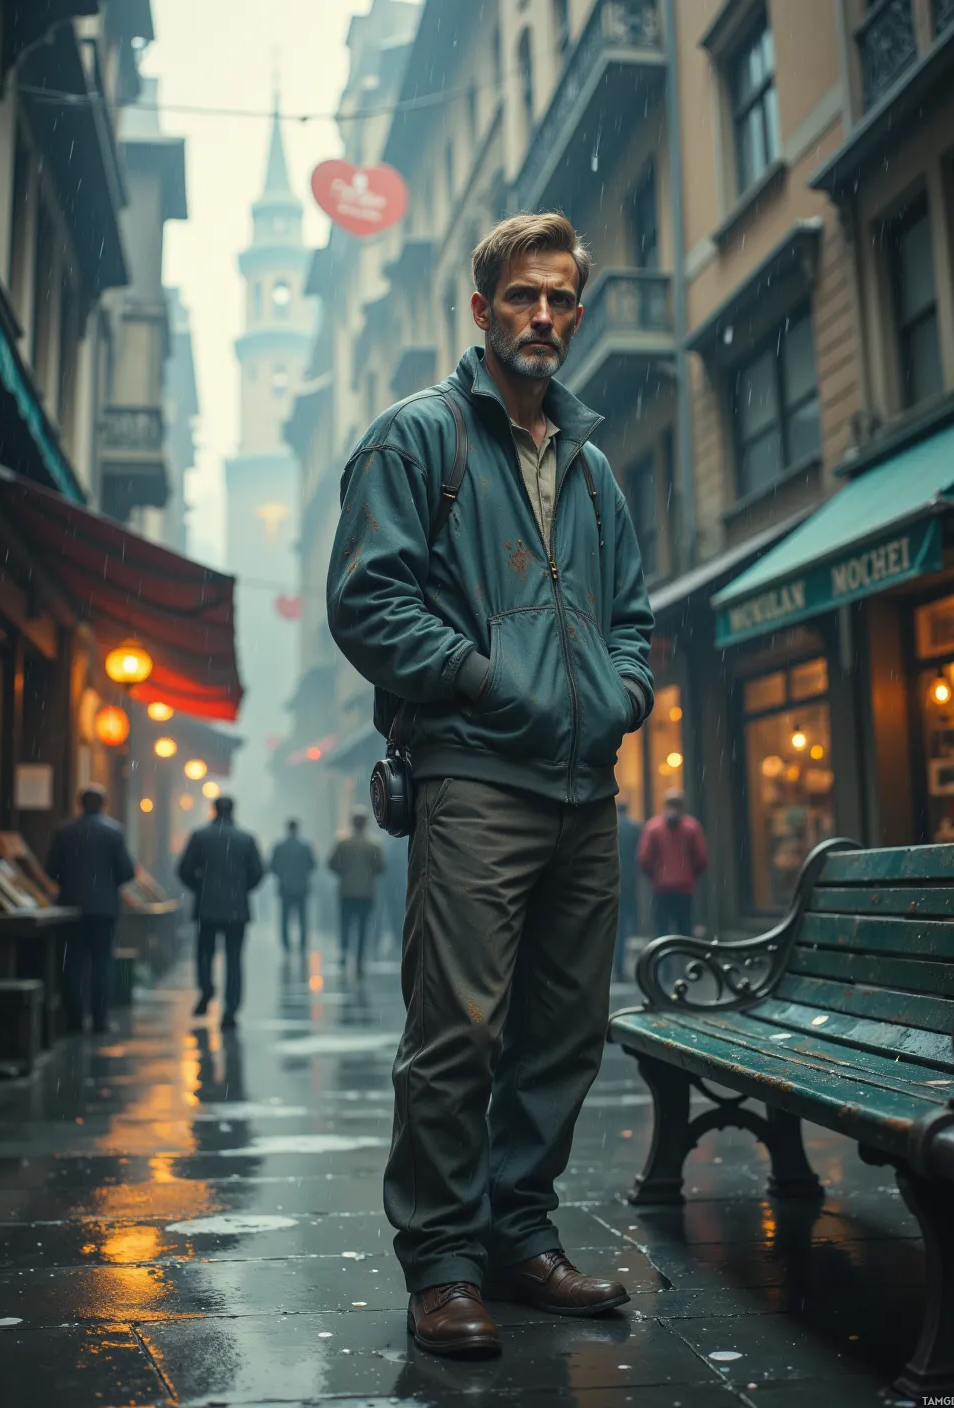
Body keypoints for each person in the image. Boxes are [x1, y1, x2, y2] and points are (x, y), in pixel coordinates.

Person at [326, 213, 654, 1358]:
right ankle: (444, 1265)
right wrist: (480, 679)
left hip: (584, 785)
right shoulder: (418, 440)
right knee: (458, 1028)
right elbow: (367, 602)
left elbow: (631, 618)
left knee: (565, 1030)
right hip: (473, 775)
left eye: (562, 298)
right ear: (481, 310)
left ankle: (520, 1239)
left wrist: (622, 694)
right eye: (524, 296)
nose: (546, 318)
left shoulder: (592, 463)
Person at [46, 783, 136, 1035]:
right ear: (103, 804)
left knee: (72, 964)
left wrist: (71, 883)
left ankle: (74, 1019)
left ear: (80, 803)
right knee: (101, 963)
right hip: (104, 908)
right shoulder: (114, 832)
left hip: (71, 907)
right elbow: (126, 871)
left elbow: (51, 869)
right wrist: (106, 885)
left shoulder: (65, 832)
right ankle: (100, 1019)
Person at [177, 796, 264, 1030]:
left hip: (208, 907)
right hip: (237, 909)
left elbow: (184, 870)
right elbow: (257, 873)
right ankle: (230, 1010)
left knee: (204, 954)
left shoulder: (200, 837)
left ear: (213, 810)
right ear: (233, 810)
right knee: (234, 959)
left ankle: (207, 989)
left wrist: (201, 888)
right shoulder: (246, 839)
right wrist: (240, 889)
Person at [637, 789, 709, 938]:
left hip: (661, 887)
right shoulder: (692, 827)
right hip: (684, 887)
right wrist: (690, 875)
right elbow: (701, 858)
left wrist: (655, 875)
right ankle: (685, 960)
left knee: (662, 931)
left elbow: (643, 858)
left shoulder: (653, 827)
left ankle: (665, 961)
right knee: (685, 930)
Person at [327, 808, 384, 980]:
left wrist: (344, 873)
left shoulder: (343, 842)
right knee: (362, 927)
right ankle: (359, 959)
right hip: (366, 892)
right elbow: (380, 867)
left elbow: (331, 863)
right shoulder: (374, 844)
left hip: (347, 891)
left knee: (345, 924)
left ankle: (344, 953)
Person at [269, 819, 317, 953]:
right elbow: (312, 865)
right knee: (303, 918)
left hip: (285, 887)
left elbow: (272, 866)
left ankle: (286, 944)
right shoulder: (305, 847)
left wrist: (283, 875)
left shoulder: (279, 847)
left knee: (285, 918)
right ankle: (302, 943)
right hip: (301, 887)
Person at [614, 800, 643, 983]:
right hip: (628, 884)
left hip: (608, 883)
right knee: (623, 927)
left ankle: (610, 968)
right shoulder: (635, 829)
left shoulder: (610, 828)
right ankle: (619, 968)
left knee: (610, 927)